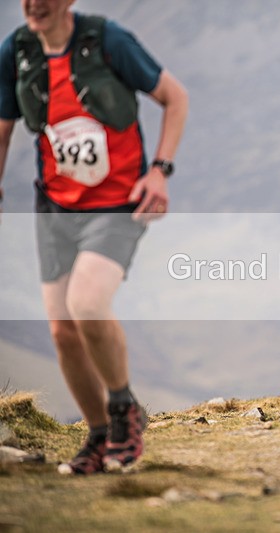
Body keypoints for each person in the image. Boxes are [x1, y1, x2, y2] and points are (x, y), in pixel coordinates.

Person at [0, 0, 188, 474]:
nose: (33, 5)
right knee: (63, 331)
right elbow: (2, 128)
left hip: (118, 203)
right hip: (55, 207)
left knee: (86, 303)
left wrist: (160, 172)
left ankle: (125, 413)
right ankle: (100, 436)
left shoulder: (107, 40)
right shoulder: (18, 52)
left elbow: (175, 97)